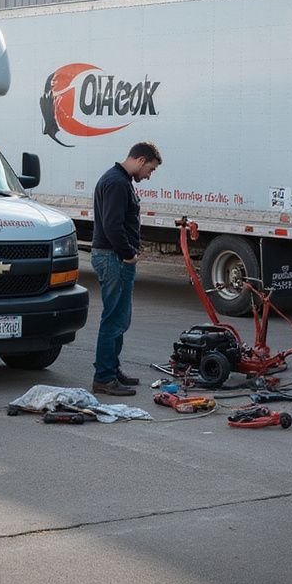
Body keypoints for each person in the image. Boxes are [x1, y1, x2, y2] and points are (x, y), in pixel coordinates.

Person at [90, 141, 162, 396]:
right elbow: (112, 225)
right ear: (141, 160)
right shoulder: (118, 183)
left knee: (120, 318)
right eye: (150, 169)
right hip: (113, 259)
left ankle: (112, 369)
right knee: (114, 319)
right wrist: (128, 254)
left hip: (113, 257)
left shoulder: (119, 180)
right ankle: (104, 378)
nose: (149, 175)